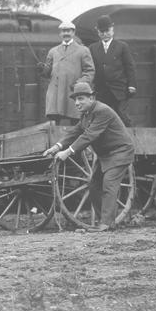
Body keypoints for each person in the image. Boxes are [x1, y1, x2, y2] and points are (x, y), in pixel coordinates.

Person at [42, 82, 134, 231]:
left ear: (92, 98)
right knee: (94, 185)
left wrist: (67, 152)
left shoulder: (102, 111)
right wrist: (56, 147)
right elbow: (75, 132)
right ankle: (104, 222)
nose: (77, 103)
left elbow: (89, 135)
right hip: (105, 155)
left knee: (109, 185)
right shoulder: (86, 115)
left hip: (120, 152)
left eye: (81, 99)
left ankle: (106, 224)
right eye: (76, 100)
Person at [37, 21, 94, 125]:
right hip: (56, 94)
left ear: (73, 33)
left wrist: (79, 84)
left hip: (73, 93)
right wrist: (42, 69)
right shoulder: (53, 51)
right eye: (63, 31)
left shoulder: (83, 50)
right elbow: (48, 73)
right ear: (60, 33)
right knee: (56, 123)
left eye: (68, 31)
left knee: (76, 123)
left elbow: (90, 71)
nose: (66, 33)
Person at [89, 15, 136, 126]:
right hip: (101, 91)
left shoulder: (122, 46)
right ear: (98, 32)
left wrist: (132, 85)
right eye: (102, 31)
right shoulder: (92, 48)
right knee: (102, 116)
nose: (105, 34)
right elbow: (90, 68)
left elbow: (130, 66)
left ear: (112, 30)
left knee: (122, 116)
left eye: (107, 31)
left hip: (119, 90)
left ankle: (129, 139)